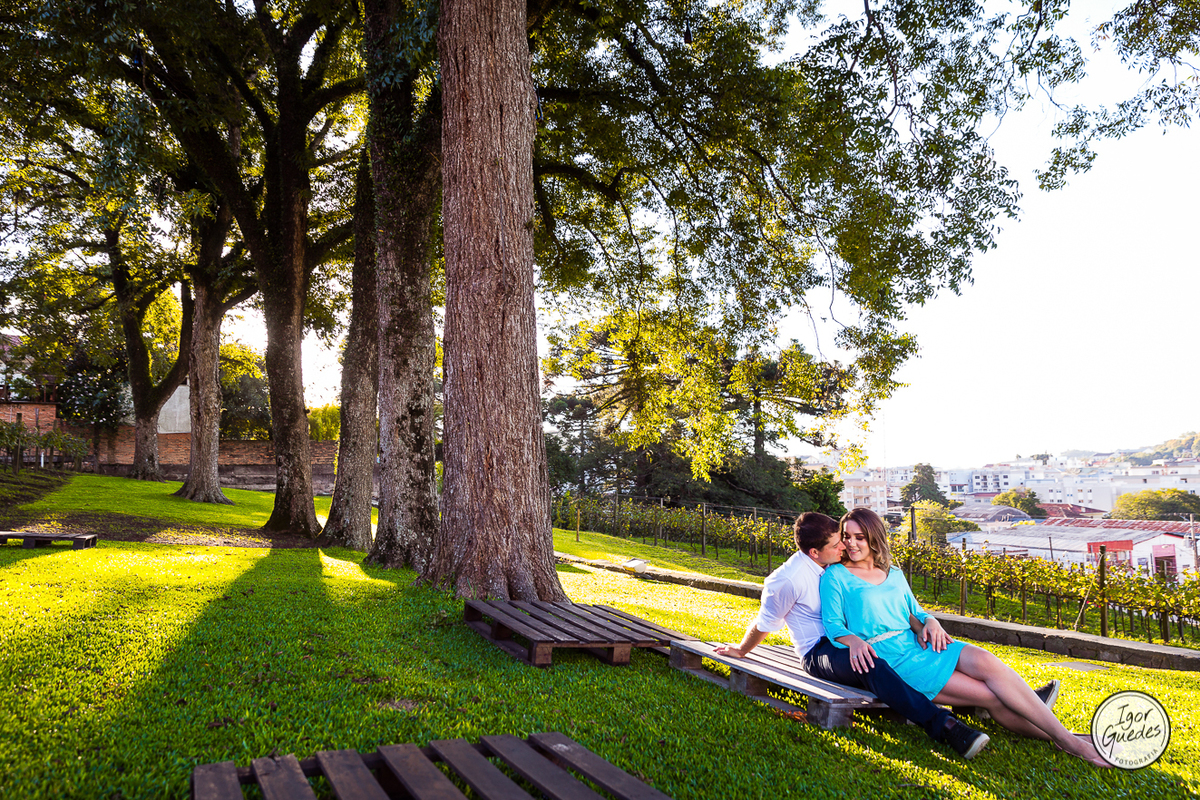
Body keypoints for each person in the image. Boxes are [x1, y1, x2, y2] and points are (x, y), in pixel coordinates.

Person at [821, 507, 1109, 768]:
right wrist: (853, 641)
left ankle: (1067, 735)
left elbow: (916, 612)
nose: (851, 543)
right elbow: (833, 625)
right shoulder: (836, 576)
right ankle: (1071, 742)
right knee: (991, 696)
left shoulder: (893, 573)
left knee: (987, 661)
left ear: (874, 538)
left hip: (920, 643)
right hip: (893, 659)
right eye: (846, 536)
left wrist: (931, 621)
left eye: (859, 537)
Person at [715, 512, 996, 759]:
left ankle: (993, 696)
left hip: (850, 638)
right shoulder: (787, 580)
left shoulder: (834, 568)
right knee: (870, 664)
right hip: (819, 651)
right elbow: (765, 622)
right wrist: (742, 650)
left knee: (879, 657)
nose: (844, 547)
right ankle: (944, 725)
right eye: (837, 544)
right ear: (814, 552)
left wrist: (925, 622)